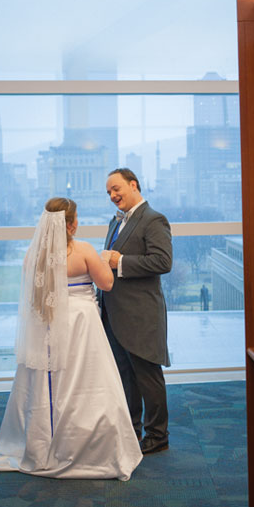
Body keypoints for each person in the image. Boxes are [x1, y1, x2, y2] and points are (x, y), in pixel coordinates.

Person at [0, 198, 142, 480]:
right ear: (71, 224)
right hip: (81, 324)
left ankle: (43, 442)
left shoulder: (32, 254)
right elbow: (106, 283)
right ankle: (94, 448)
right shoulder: (83, 250)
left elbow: (32, 297)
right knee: (88, 380)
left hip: (47, 326)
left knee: (49, 383)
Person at [100, 168, 173, 455]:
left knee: (147, 376)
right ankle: (132, 429)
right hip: (115, 314)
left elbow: (163, 262)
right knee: (125, 376)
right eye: (108, 192)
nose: (112, 195)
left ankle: (157, 435)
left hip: (141, 314)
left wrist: (121, 262)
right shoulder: (114, 222)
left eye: (116, 188)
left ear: (134, 185)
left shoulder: (153, 219)